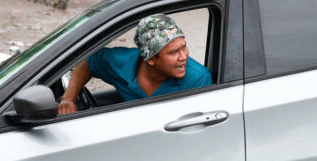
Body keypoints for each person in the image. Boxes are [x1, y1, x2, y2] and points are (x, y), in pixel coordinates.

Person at [57, 14, 213, 115]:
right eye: (174, 52)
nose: (184, 56)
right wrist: (69, 99)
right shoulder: (119, 62)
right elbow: (88, 60)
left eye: (184, 47)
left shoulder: (198, 79)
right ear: (151, 59)